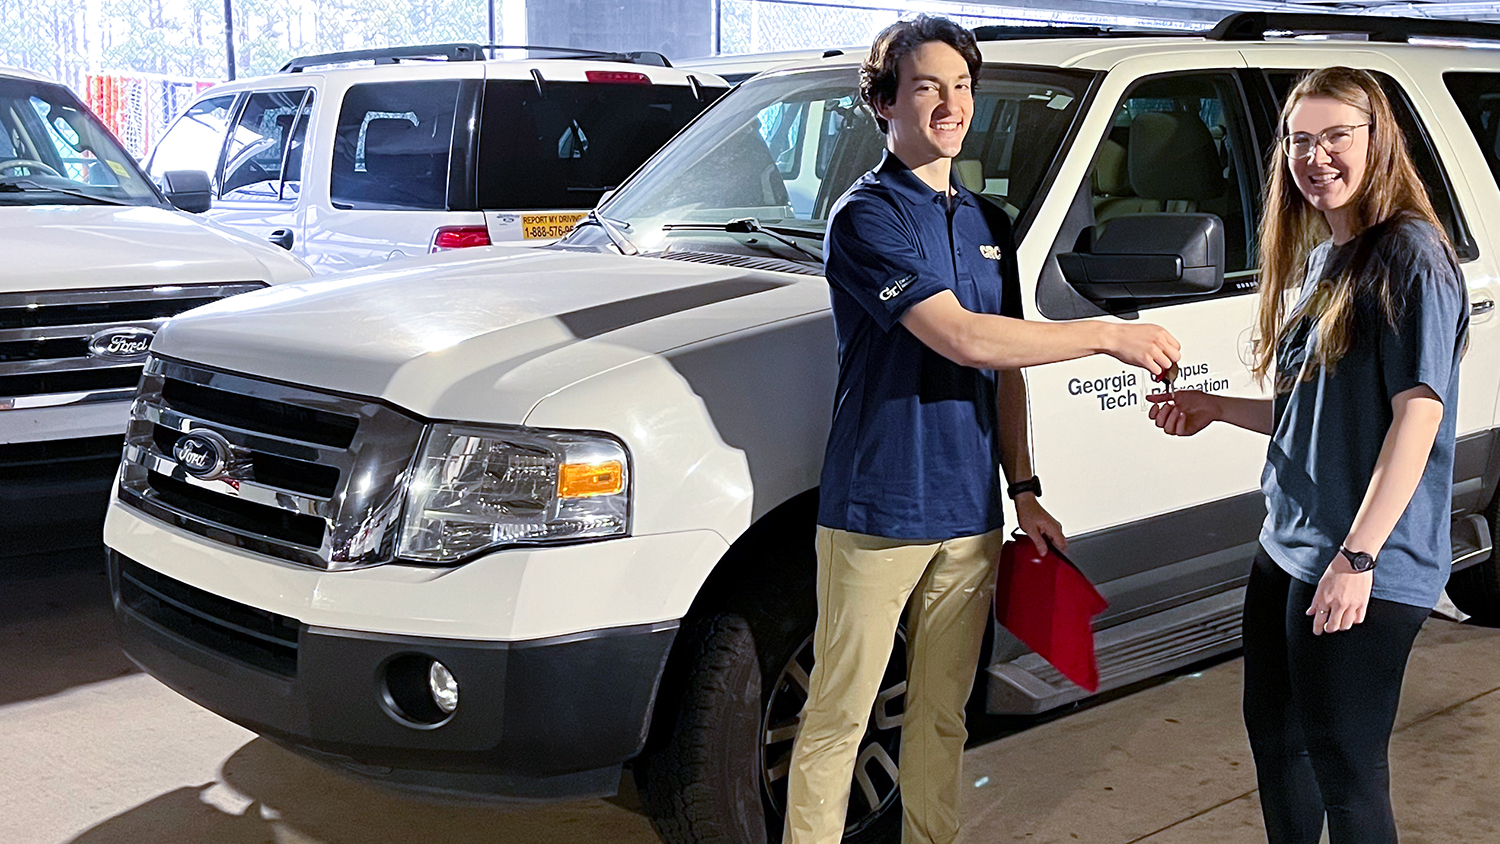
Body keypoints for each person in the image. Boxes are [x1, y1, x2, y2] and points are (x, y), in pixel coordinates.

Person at [785, 15, 1181, 844]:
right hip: (877, 512)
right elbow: (961, 335)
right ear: (883, 104)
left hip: (969, 516)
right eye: (927, 86)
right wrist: (1107, 334)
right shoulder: (867, 218)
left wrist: (1024, 490)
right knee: (838, 723)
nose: (950, 104)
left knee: (942, 719)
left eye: (961, 86)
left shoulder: (988, 224)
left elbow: (1001, 368)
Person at [1147, 66, 1467, 844]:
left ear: (1377, 139)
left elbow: (1416, 417)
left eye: (1335, 137)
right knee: (1278, 746)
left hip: (1362, 561)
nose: (1315, 157)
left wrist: (1357, 558)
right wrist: (1216, 409)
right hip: (1286, 546)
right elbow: (1317, 413)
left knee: (1348, 772)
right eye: (1300, 141)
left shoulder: (1410, 255)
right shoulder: (1331, 254)